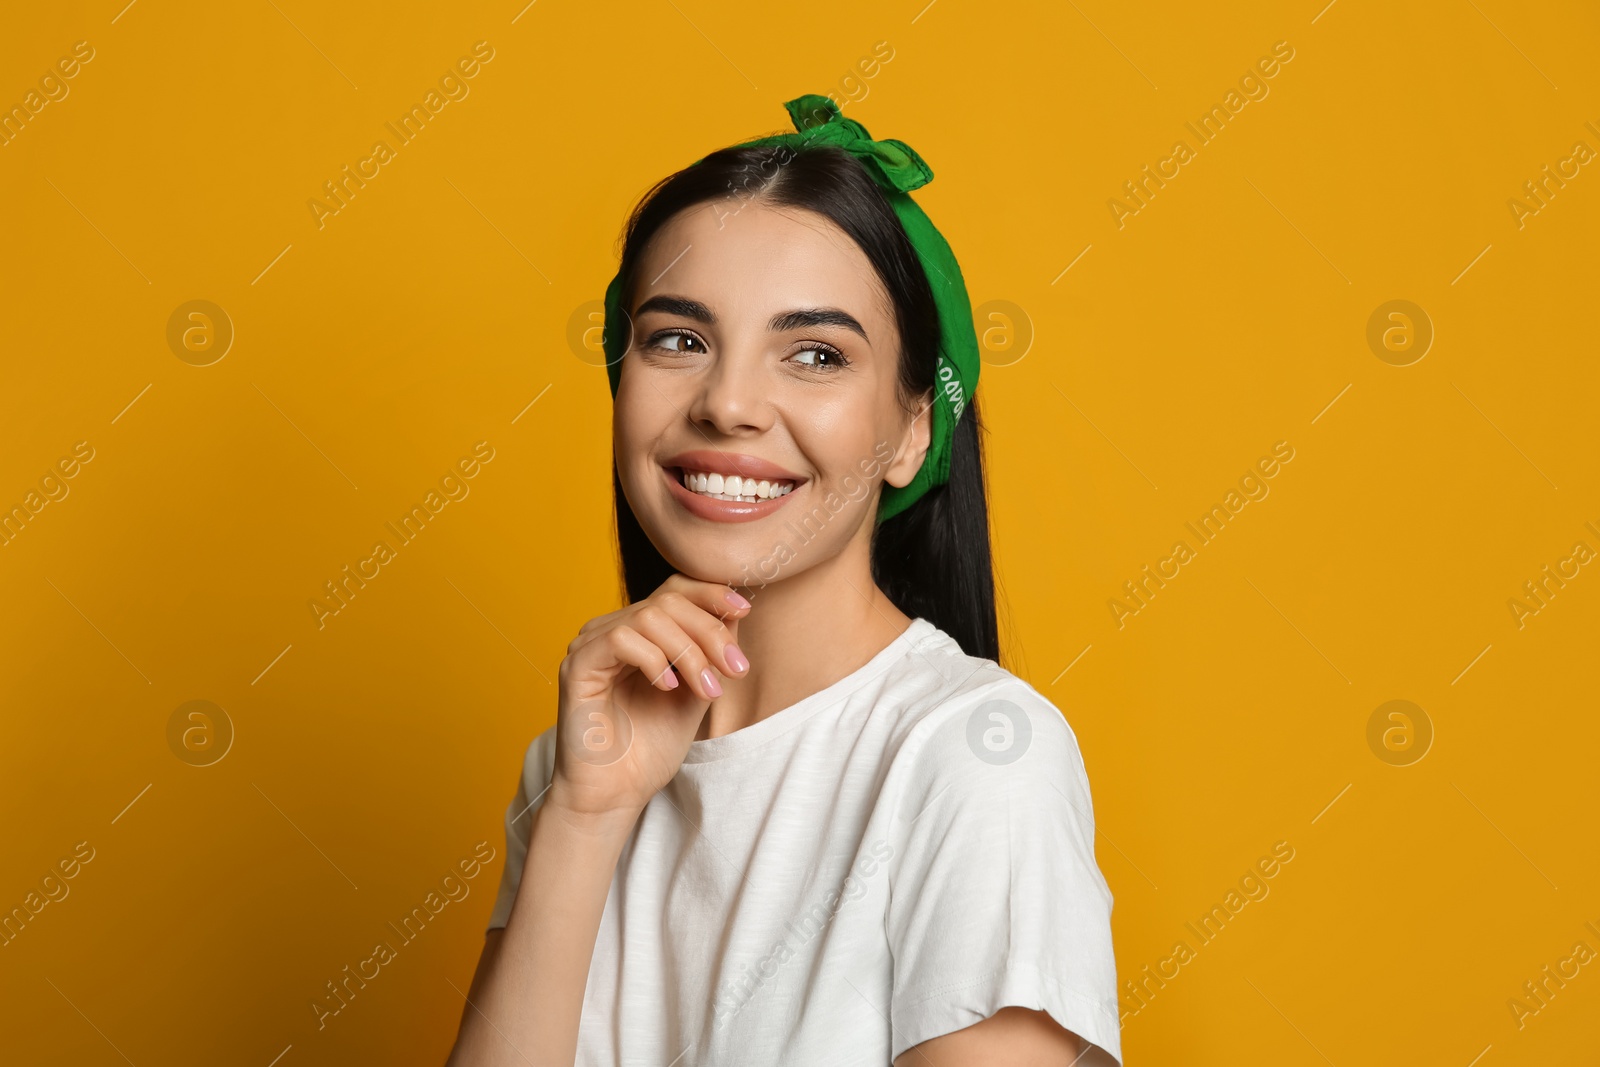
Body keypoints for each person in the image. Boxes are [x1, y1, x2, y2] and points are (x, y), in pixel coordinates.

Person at [445, 94, 1121, 1067]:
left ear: (913, 429)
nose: (726, 402)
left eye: (815, 354)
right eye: (677, 339)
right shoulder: (575, 763)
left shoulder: (978, 756)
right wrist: (583, 817)